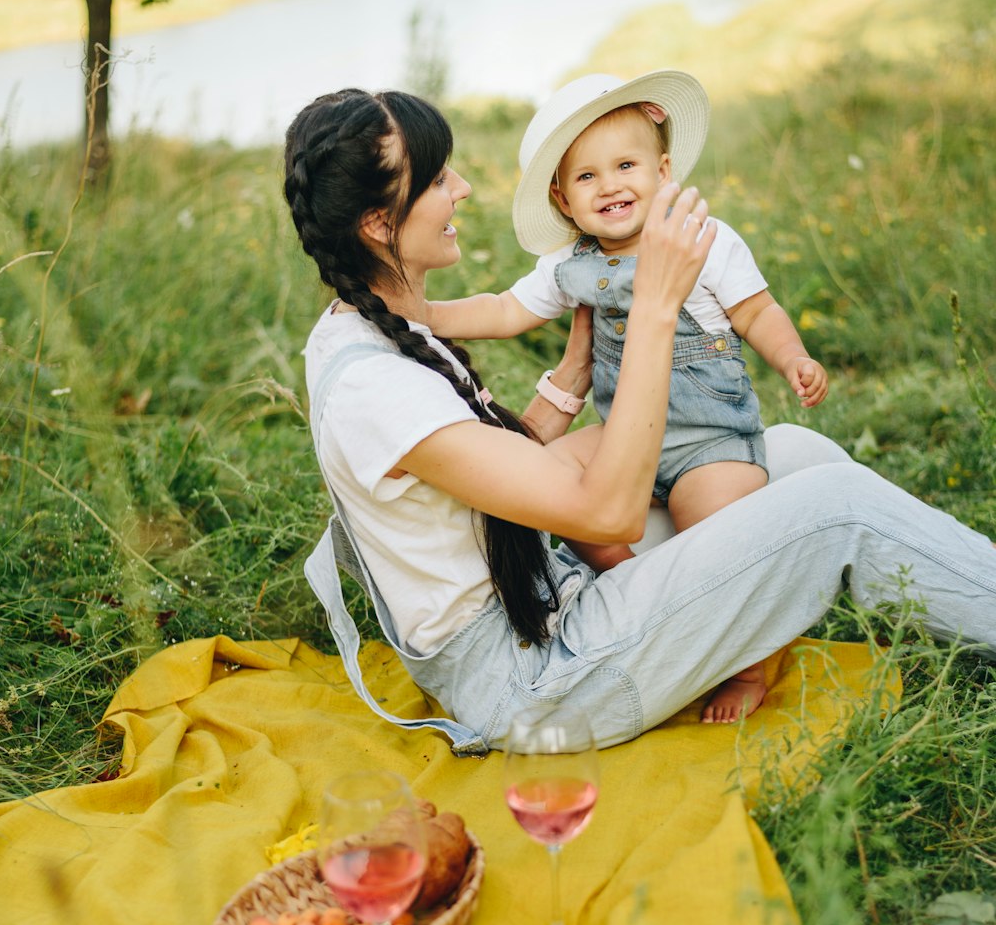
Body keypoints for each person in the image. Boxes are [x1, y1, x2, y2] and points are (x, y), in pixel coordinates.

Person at [284, 86, 995, 757]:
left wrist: (568, 381)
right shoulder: (374, 384)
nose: (462, 186)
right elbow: (609, 514)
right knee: (839, 510)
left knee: (799, 456)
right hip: (536, 683)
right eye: (439, 177)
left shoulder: (371, 327)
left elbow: (485, 476)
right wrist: (656, 304)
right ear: (380, 224)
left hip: (544, 592)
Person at [423, 70, 829, 722]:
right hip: (624, 439)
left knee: (724, 538)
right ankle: (629, 576)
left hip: (709, 440)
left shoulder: (703, 238)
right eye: (587, 177)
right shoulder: (569, 265)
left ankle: (748, 668)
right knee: (545, 477)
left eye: (626, 165)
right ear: (561, 199)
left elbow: (756, 311)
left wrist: (794, 358)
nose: (610, 184)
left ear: (664, 171)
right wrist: (427, 314)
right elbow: (503, 310)